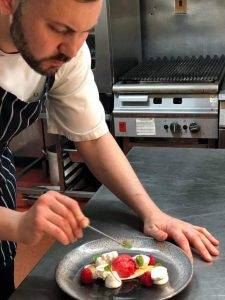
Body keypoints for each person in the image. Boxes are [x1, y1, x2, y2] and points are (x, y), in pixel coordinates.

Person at [0, 0, 219, 298]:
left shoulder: (67, 54)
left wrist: (152, 213)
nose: (73, 50)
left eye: (85, 32)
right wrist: (17, 224)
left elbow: (92, 138)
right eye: (59, 29)